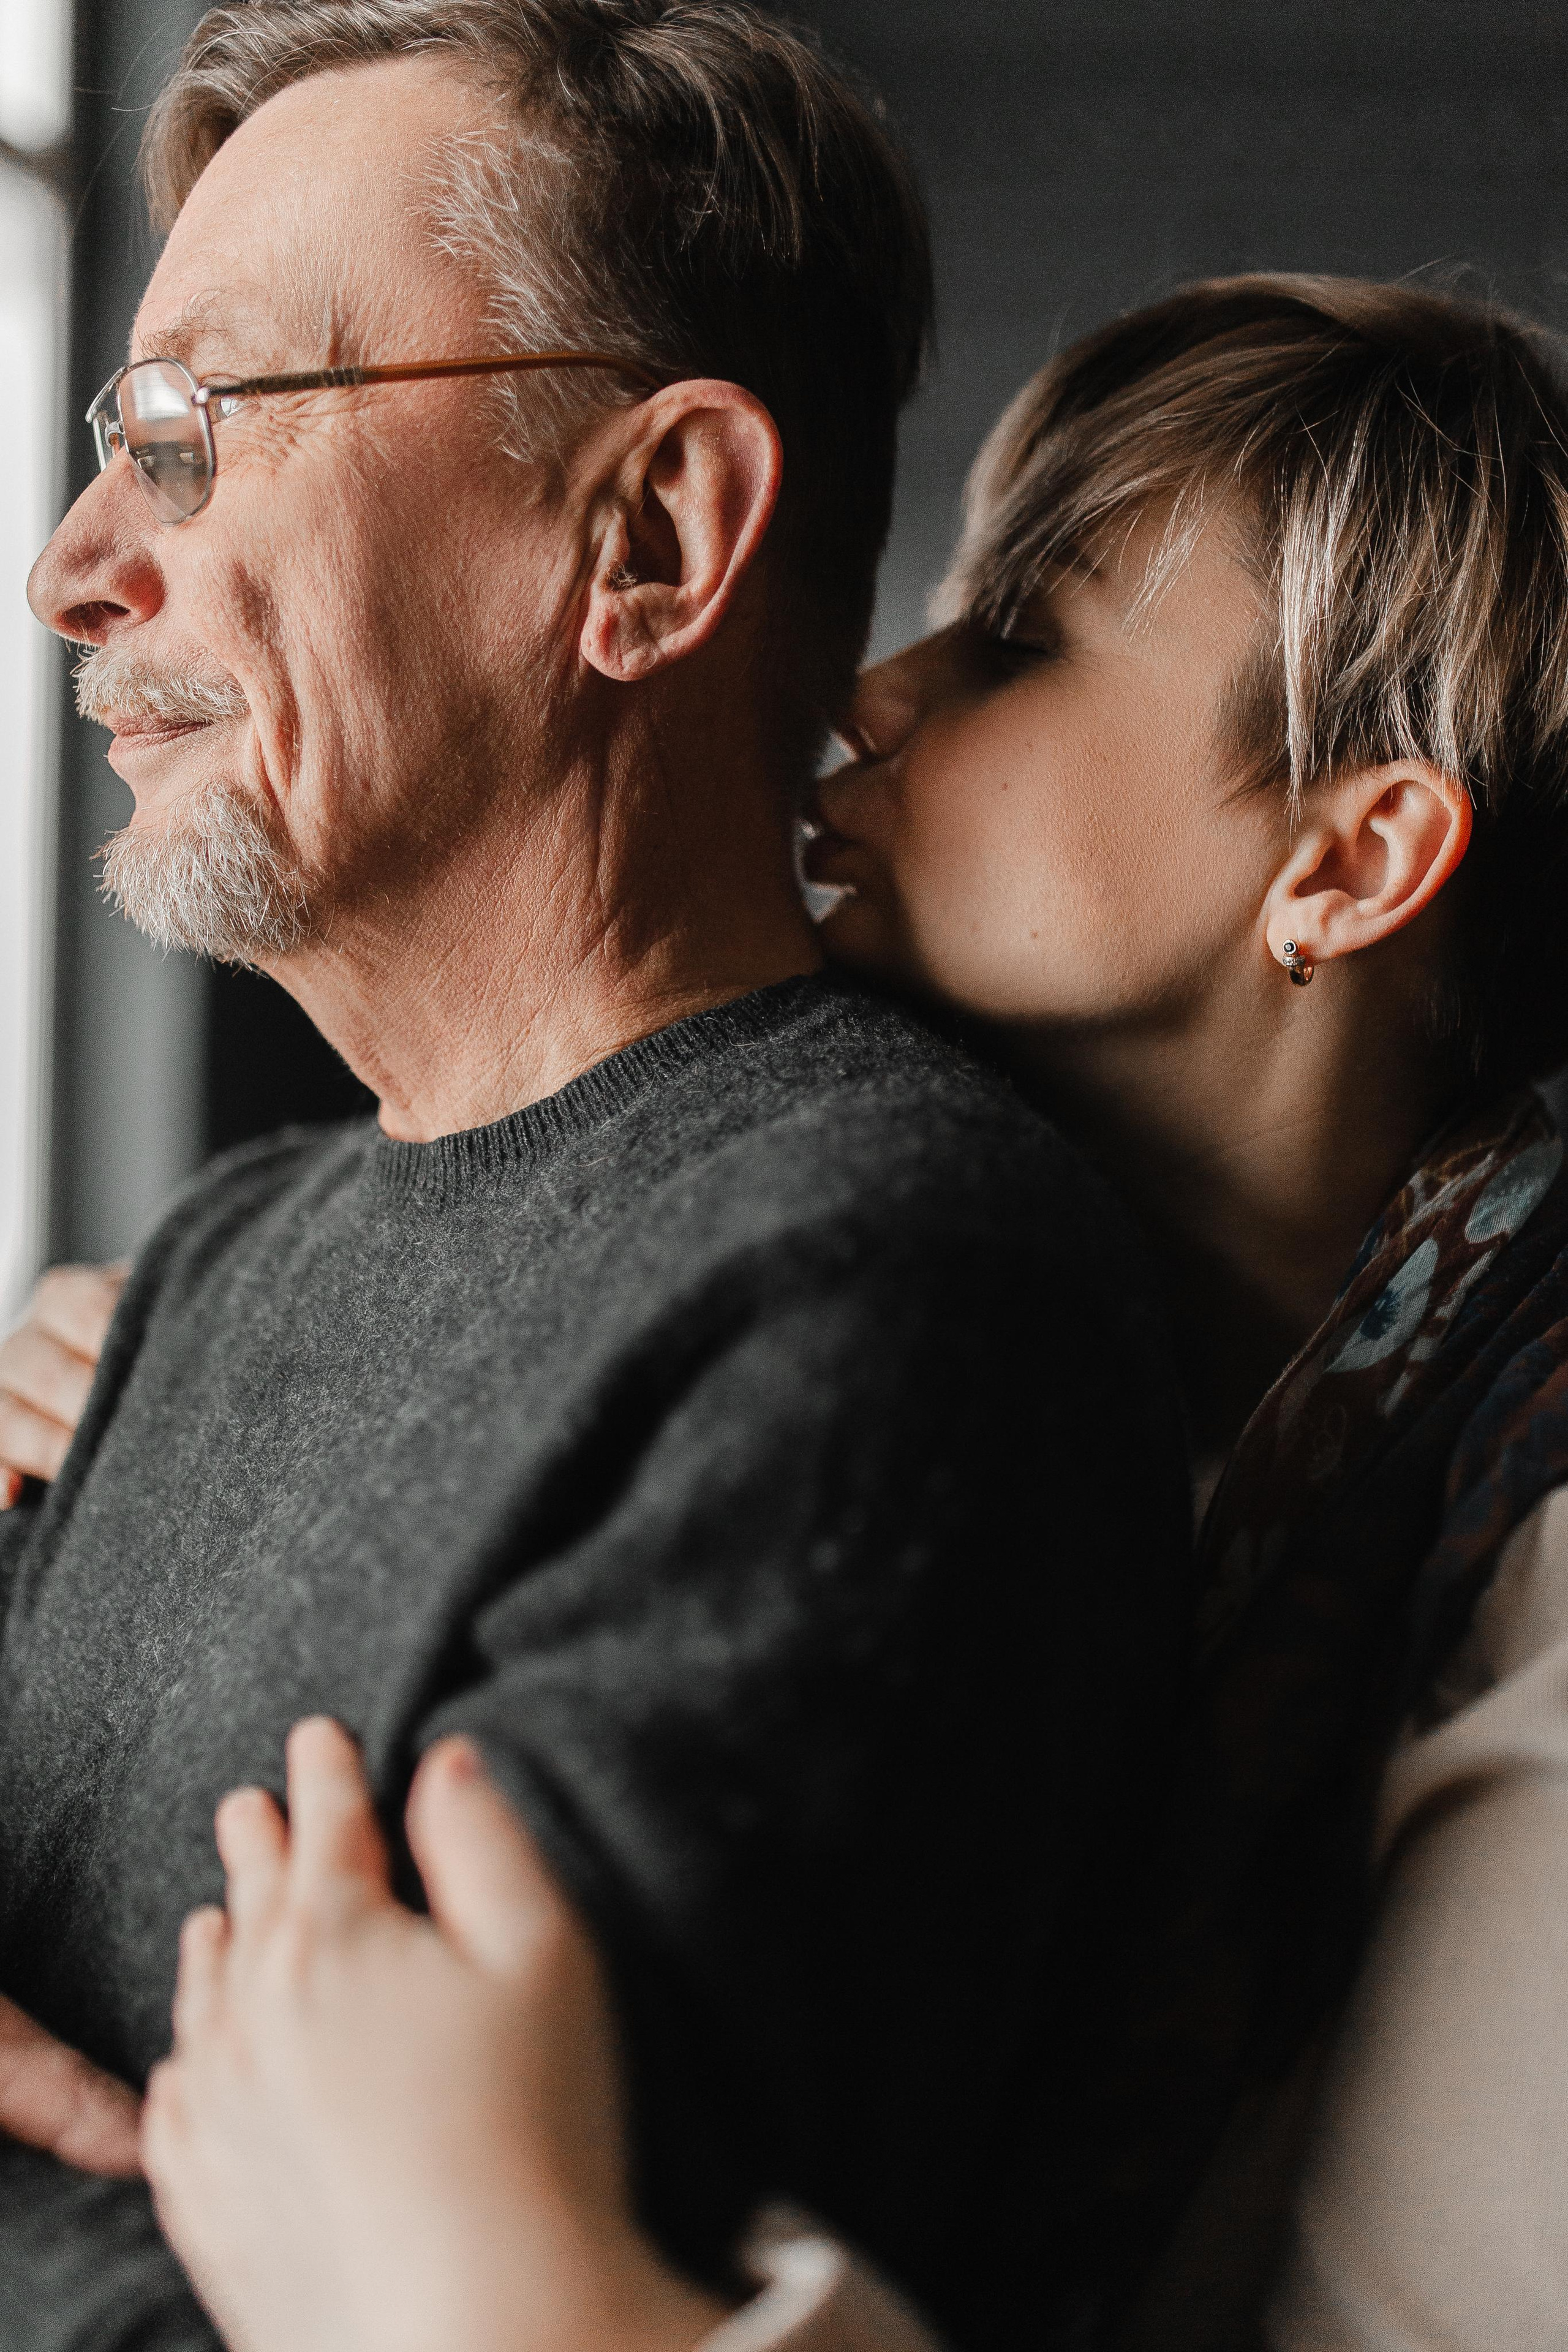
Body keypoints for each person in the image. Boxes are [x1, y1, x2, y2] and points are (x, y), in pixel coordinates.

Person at [16, 266, 1568, 2352]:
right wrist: (200, 1393)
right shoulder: (1046, 1359)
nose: (876, 694)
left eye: (1019, 642)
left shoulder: (1535, 1594)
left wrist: (514, 2280)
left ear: (1352, 862)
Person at [0, 6, 1197, 2351]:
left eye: (198, 430)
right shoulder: (222, 1255)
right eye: (113, 442)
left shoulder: (887, 1297)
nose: (74, 566)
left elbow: (397, 2311)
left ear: (645, 536)